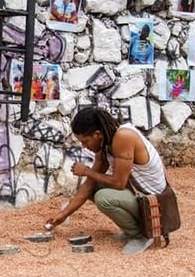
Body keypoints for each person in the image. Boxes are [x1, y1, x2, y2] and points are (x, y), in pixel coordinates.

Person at [44, 107, 168, 255]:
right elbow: (89, 184)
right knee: (94, 187)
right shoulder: (106, 141)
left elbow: (118, 183)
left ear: (97, 134)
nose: (85, 147)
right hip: (141, 195)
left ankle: (140, 235)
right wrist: (63, 215)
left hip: (155, 202)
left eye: (85, 141)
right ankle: (132, 230)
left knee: (103, 198)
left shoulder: (123, 137)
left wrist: (86, 171)